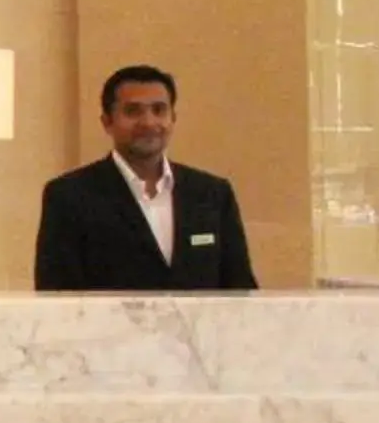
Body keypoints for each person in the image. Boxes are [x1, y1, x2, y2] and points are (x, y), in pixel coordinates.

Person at [32, 64, 256, 292]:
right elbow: (57, 296)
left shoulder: (212, 194)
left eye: (159, 110)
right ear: (107, 122)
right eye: (132, 111)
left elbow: (241, 290)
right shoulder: (69, 196)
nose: (148, 123)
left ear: (173, 118)